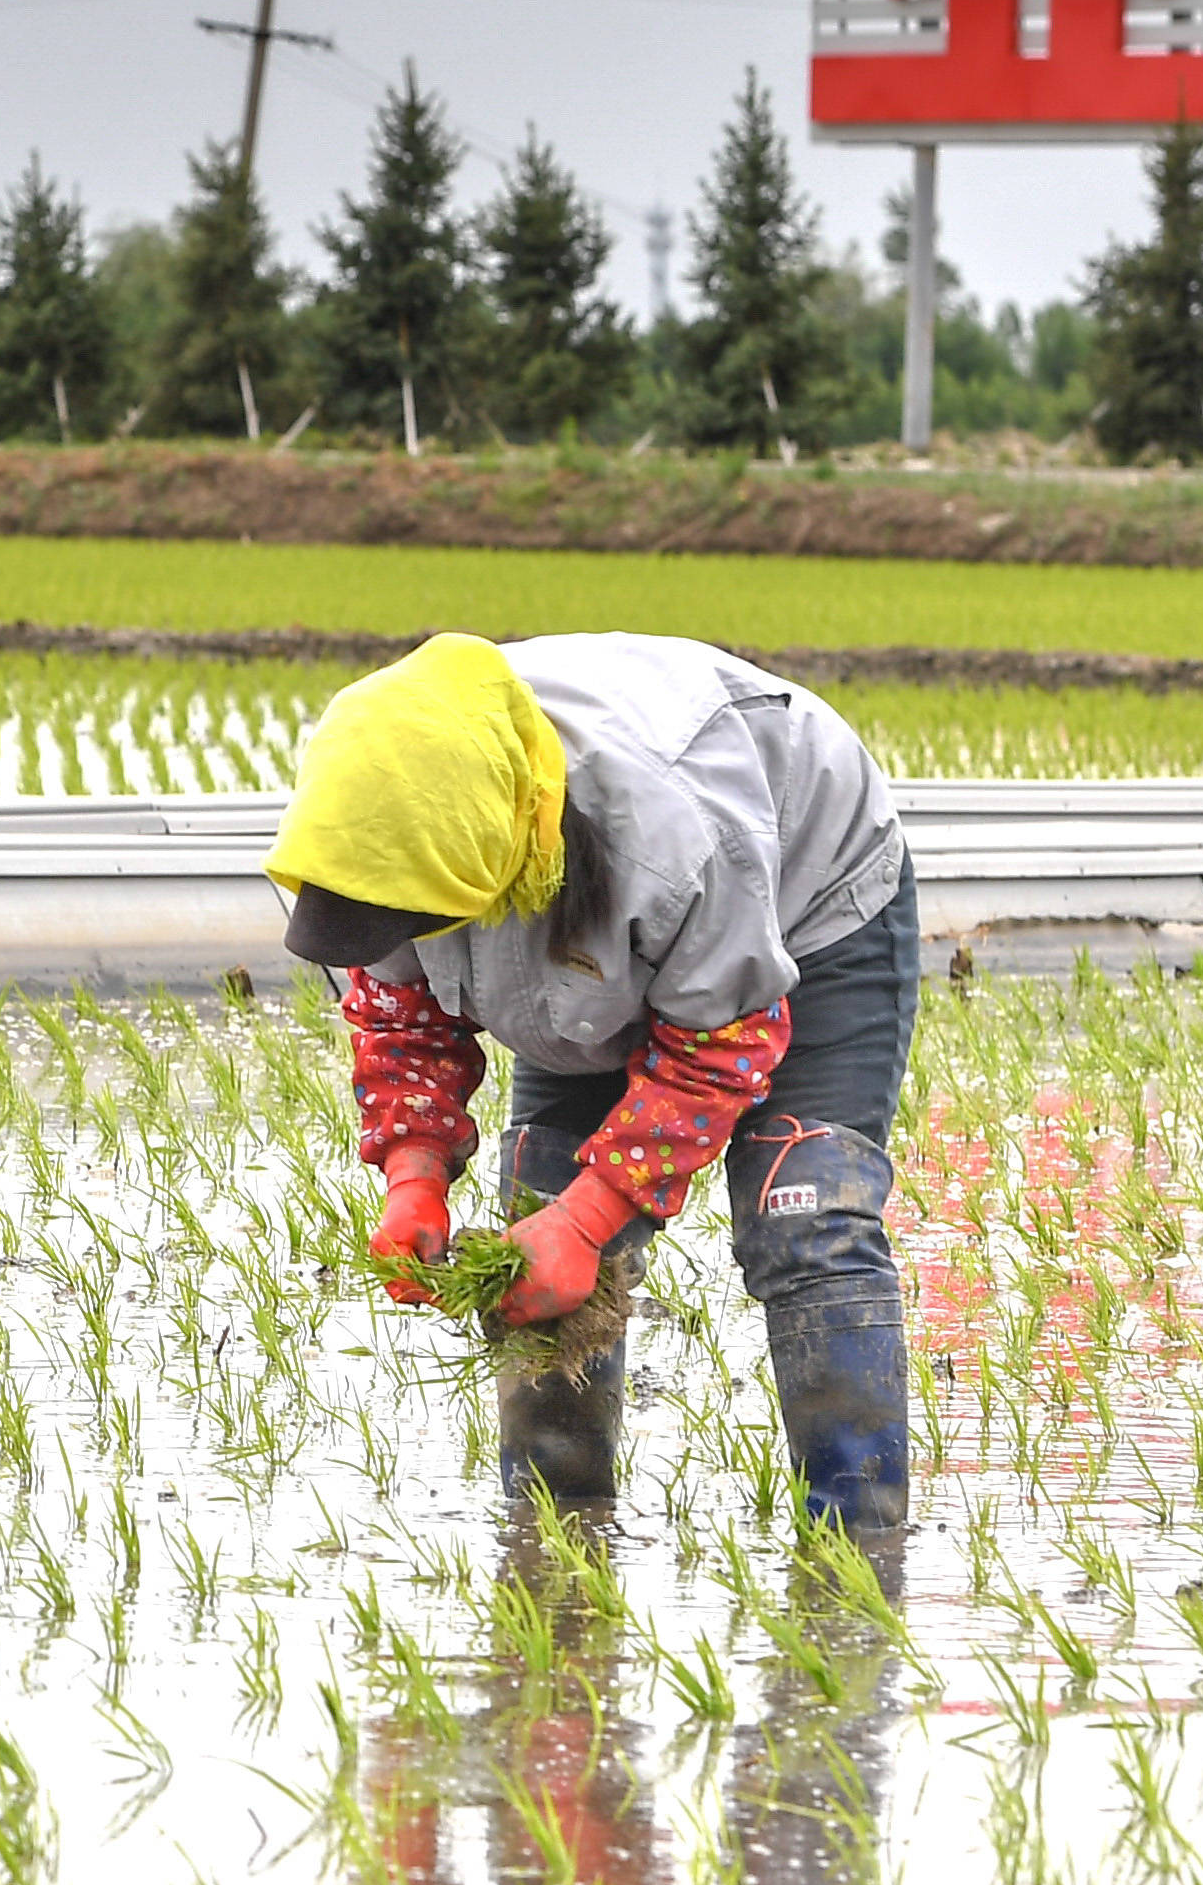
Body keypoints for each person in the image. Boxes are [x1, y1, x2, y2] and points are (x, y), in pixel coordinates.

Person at [269, 631, 919, 1548]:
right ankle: (553, 1546)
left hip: (803, 904)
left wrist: (589, 1221)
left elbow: (719, 1048)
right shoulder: (386, 831)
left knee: (804, 1213)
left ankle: (859, 1555)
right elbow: (403, 1015)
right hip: (574, 931)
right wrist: (413, 1174)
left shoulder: (679, 831)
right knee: (538, 1225)